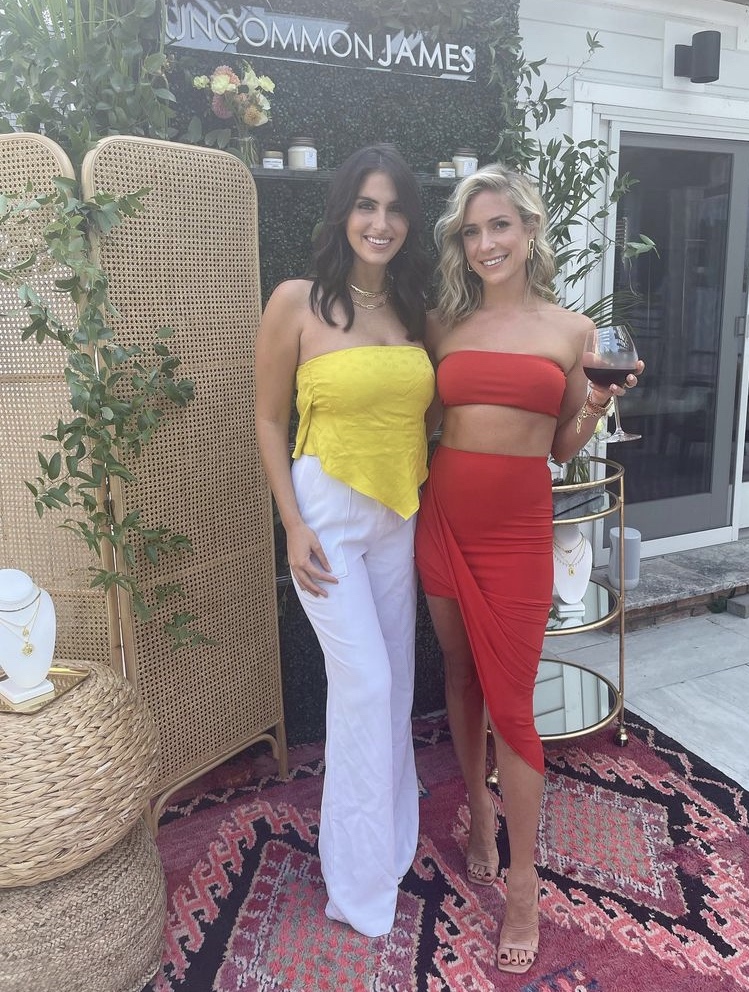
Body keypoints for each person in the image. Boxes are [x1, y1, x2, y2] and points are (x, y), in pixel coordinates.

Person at [415, 163, 642, 974]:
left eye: (499, 226)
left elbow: (560, 444)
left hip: (516, 534)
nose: (485, 243)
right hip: (444, 520)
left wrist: (599, 403)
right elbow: (423, 420)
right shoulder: (442, 323)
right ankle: (478, 811)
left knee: (512, 705)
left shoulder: (573, 331)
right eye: (471, 230)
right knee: (458, 675)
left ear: (529, 229)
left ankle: (522, 882)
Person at [254, 144, 436, 938]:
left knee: (394, 686)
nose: (381, 222)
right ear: (342, 213)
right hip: (325, 515)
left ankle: (388, 845)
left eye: (394, 208)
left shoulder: (413, 306)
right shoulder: (297, 301)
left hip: (398, 513)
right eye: (367, 205)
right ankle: (357, 889)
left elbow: (428, 410)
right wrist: (291, 523)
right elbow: (268, 418)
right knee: (363, 685)